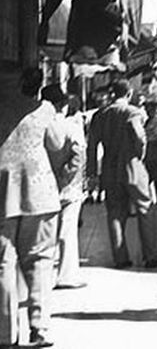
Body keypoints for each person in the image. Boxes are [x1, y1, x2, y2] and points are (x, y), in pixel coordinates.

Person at [0, 66, 63, 348]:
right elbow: (58, 142)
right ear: (39, 85)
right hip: (40, 192)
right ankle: (40, 330)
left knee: (3, 265)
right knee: (39, 261)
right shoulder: (45, 109)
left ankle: (4, 335)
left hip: (3, 195)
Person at [87, 79, 157, 269]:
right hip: (132, 166)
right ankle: (151, 256)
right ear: (128, 94)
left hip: (109, 169)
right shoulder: (132, 112)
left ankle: (121, 258)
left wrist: (92, 173)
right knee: (145, 209)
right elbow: (139, 135)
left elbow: (91, 146)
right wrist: (141, 153)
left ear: (113, 94)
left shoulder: (99, 115)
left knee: (114, 212)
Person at [40, 86, 87, 290]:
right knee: (67, 231)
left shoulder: (38, 124)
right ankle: (66, 275)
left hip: (43, 185)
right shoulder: (71, 126)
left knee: (45, 233)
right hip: (69, 187)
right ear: (63, 104)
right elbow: (78, 155)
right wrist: (65, 175)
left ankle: (43, 276)